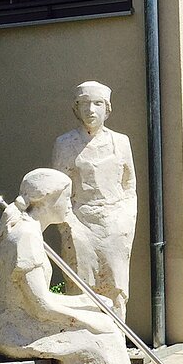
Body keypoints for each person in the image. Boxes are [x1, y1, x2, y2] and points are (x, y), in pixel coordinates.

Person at [0, 169, 132, 364]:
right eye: (66, 197)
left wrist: (87, 301)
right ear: (46, 200)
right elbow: (42, 308)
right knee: (103, 336)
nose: (70, 203)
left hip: (25, 320)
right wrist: (90, 317)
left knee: (104, 321)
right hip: (17, 331)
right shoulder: (25, 237)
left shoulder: (28, 230)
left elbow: (39, 299)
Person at [51, 81, 137, 320]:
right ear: (75, 108)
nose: (91, 110)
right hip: (80, 222)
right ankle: (85, 334)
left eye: (97, 103)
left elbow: (129, 185)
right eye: (84, 103)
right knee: (80, 283)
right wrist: (68, 226)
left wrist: (126, 220)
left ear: (107, 108)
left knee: (115, 285)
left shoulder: (120, 142)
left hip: (114, 222)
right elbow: (59, 189)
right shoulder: (65, 144)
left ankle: (116, 333)